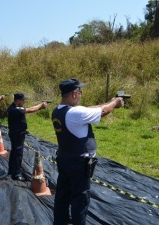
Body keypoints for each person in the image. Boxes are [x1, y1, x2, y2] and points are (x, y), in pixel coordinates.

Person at [51, 78, 124, 225]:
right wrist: (115, 103)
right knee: (80, 199)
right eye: (80, 91)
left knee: (63, 195)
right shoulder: (76, 113)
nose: (81, 94)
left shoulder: (57, 111)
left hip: (65, 159)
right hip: (79, 163)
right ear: (74, 94)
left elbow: (89, 109)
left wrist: (110, 101)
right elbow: (103, 111)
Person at [7, 93, 48, 181]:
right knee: (18, 153)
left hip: (16, 133)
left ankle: (12, 170)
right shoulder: (15, 109)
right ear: (17, 100)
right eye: (22, 100)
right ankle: (16, 174)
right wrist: (41, 105)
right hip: (17, 134)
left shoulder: (13, 107)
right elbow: (31, 109)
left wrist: (40, 106)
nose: (24, 101)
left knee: (14, 152)